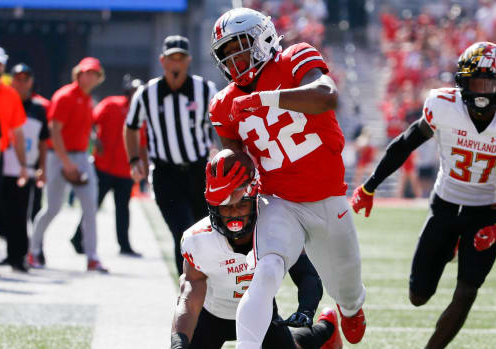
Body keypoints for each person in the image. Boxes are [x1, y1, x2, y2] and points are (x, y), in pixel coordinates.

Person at [351, 42, 496, 348]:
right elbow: (405, 143)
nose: (482, 92)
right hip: (445, 206)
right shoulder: (443, 106)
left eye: (490, 84)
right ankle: (449, 245)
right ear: (462, 83)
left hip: (485, 212)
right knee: (418, 296)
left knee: (466, 292)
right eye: (476, 82)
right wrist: (369, 186)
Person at [206, 8, 366, 349]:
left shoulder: (295, 57)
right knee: (265, 272)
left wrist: (262, 100)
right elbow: (239, 162)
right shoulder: (222, 104)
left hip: (327, 197)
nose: (234, 60)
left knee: (348, 291)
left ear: (263, 39)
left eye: (240, 47)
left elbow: (327, 96)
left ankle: (348, 310)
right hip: (278, 200)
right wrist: (226, 173)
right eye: (226, 54)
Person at [171, 179, 342, 349]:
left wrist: (306, 308)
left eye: (241, 205)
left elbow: (306, 273)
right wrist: (178, 342)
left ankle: (327, 329)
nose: (234, 213)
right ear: (214, 207)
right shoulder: (199, 240)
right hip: (212, 317)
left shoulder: (276, 227)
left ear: (255, 202)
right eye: (226, 206)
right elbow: (189, 298)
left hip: (261, 312)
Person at [124, 35, 218, 275]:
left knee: (205, 231)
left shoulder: (205, 89)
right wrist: (134, 159)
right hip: (166, 173)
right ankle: (188, 288)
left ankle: (208, 289)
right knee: (183, 231)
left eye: (181, 58)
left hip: (199, 172)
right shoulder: (147, 93)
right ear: (162, 61)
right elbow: (131, 126)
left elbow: (221, 124)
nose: (176, 64)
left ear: (188, 61)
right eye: (171, 58)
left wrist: (221, 151)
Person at [28, 57, 108, 272]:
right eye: (86, 72)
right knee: (52, 208)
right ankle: (32, 251)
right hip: (59, 156)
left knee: (91, 207)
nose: (90, 76)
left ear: (99, 77)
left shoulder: (87, 98)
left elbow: (83, 126)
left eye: (94, 73)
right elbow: (54, 131)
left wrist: (94, 140)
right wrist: (65, 162)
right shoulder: (65, 96)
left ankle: (92, 257)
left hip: (82, 156)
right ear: (78, 73)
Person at [70, 75, 144, 256]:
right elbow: (90, 121)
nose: (136, 95)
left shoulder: (144, 114)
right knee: (92, 205)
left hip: (125, 170)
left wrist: (142, 165)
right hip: (103, 167)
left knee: (123, 210)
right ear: (127, 91)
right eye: (133, 91)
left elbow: (143, 143)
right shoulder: (111, 104)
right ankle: (77, 238)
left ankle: (124, 245)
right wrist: (95, 139)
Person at [0, 64, 49, 272]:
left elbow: (43, 141)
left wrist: (42, 167)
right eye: (17, 78)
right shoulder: (4, 98)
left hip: (24, 166)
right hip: (1, 163)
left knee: (21, 215)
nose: (21, 82)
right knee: (1, 214)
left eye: (25, 78)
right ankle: (9, 253)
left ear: (31, 81)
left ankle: (19, 256)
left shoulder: (38, 108)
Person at [0, 46, 28, 263]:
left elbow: (18, 132)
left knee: (2, 209)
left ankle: (16, 256)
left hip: (0, 157)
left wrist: (24, 164)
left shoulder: (10, 94)